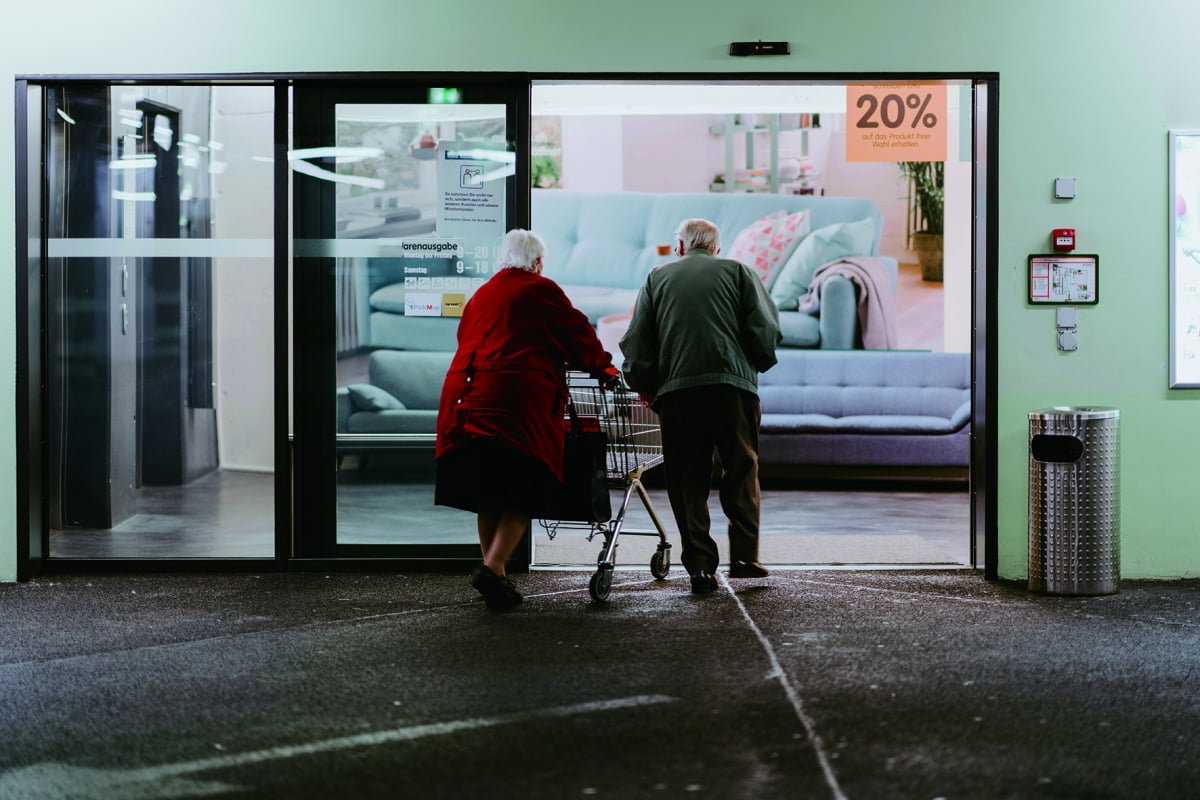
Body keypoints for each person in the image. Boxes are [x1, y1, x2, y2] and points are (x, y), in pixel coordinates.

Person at [435, 229, 619, 610]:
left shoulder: (483, 293)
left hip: (464, 397)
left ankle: (496, 577)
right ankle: (493, 567)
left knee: (488, 493)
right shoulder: (540, 289)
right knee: (526, 485)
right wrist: (604, 369)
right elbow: (577, 332)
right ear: (536, 262)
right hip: (511, 400)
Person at [619, 218, 782, 595]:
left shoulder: (656, 278)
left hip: (680, 393)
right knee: (741, 468)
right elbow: (765, 330)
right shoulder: (739, 272)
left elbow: (637, 341)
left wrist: (646, 386)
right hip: (732, 389)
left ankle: (700, 568)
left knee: (687, 478)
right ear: (716, 248)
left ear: (679, 246)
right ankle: (744, 558)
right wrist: (751, 364)